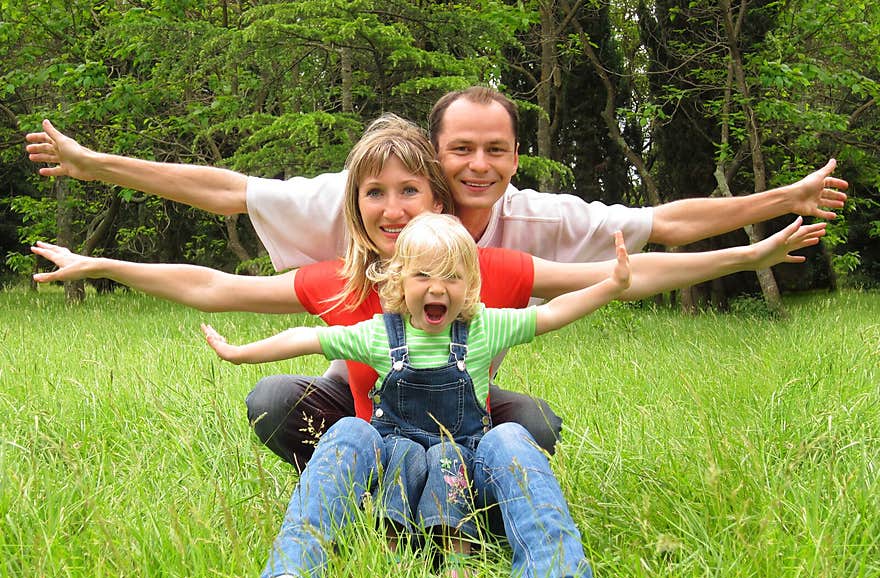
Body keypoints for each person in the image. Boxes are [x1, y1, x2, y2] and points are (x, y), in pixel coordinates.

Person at [24, 86, 847, 464]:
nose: (479, 167)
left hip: (460, 394)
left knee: (531, 428)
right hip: (363, 384)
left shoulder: (516, 241)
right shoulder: (354, 220)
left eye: (497, 150)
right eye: (462, 150)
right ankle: (358, 490)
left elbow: (649, 246)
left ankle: (465, 497)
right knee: (278, 400)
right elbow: (220, 234)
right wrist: (95, 180)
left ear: (513, 158)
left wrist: (761, 236)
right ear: (435, 157)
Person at [200, 212, 636, 578]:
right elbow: (306, 338)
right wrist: (241, 353)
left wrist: (610, 286)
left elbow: (554, 312)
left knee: (510, 437)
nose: (437, 286)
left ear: (470, 285)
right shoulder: (377, 335)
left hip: (465, 479)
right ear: (399, 281)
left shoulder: (483, 328)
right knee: (352, 429)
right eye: (423, 274)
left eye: (452, 276)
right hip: (389, 480)